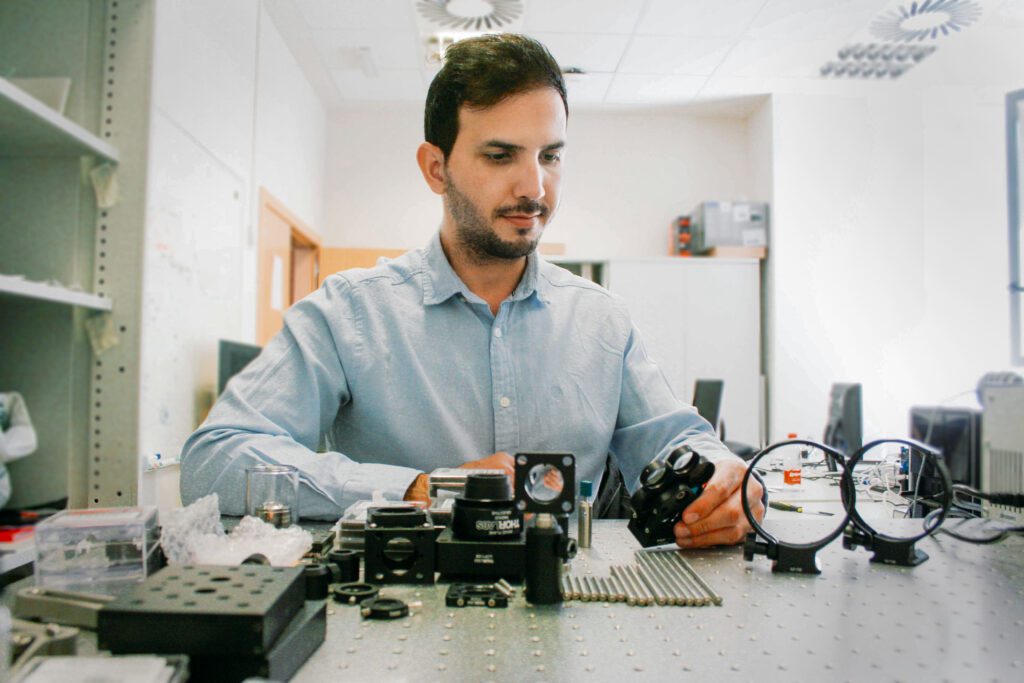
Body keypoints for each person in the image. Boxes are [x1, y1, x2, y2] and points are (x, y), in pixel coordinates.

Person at [180, 34, 764, 549]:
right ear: (436, 168)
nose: (535, 187)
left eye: (550, 156)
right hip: (400, 628)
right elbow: (216, 459)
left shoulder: (603, 321)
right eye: (500, 154)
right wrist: (418, 488)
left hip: (575, 623)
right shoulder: (348, 314)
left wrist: (725, 483)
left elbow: (679, 439)